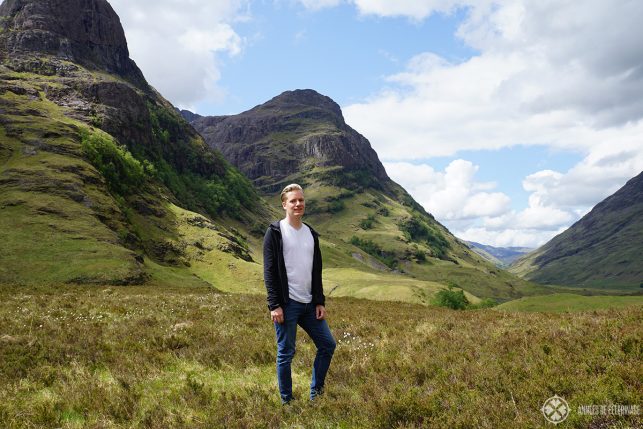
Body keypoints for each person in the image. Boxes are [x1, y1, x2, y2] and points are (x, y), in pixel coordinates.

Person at [263, 183, 337, 404]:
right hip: (287, 304)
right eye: (293, 201)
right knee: (286, 353)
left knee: (327, 345)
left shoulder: (311, 234)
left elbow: (316, 270)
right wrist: (274, 305)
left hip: (308, 304)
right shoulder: (275, 232)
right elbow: (269, 270)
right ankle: (287, 402)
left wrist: (319, 301)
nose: (298, 204)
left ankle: (316, 395)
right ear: (284, 204)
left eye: (301, 200)